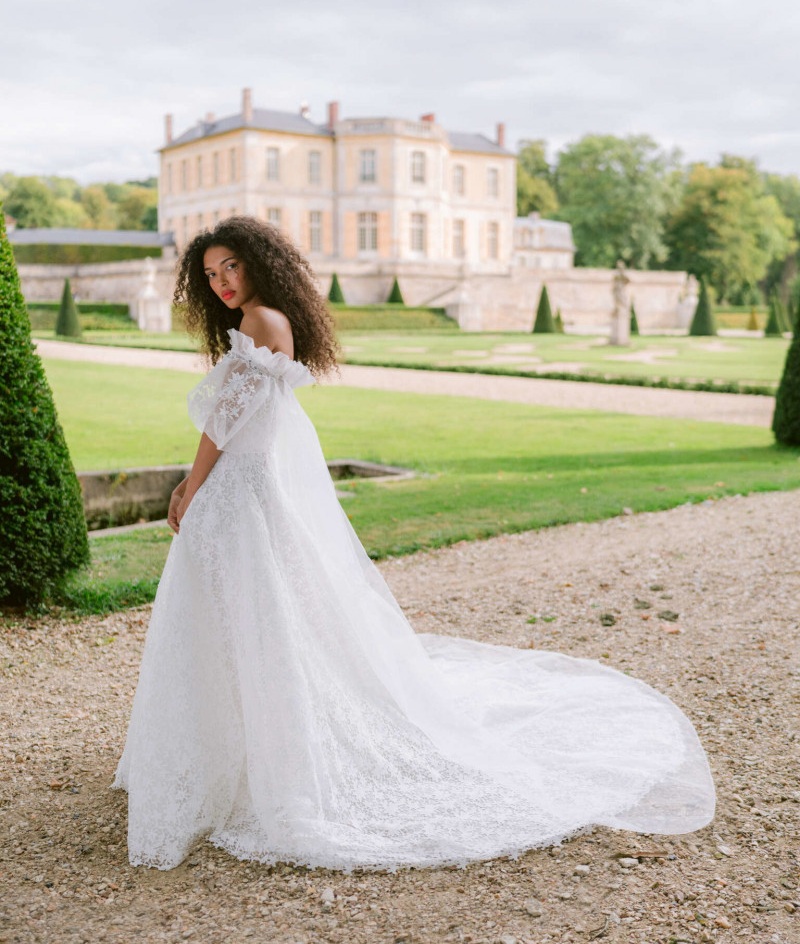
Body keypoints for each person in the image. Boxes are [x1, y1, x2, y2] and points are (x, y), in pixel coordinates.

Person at [113, 216, 715, 872]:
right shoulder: (264, 319)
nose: (221, 281)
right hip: (247, 487)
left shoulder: (261, 322)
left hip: (237, 489)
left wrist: (189, 485)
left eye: (229, 265)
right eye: (209, 274)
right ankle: (236, 745)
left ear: (256, 262)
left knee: (251, 615)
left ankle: (244, 753)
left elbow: (226, 422)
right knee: (259, 617)